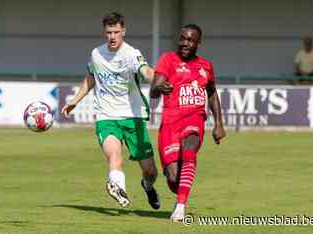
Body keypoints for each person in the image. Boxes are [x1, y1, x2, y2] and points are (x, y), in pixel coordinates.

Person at [61, 12, 160, 209]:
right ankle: (118, 189)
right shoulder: (96, 54)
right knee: (114, 156)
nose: (112, 36)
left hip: (133, 117)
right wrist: (75, 101)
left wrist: (157, 78)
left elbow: (145, 71)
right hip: (106, 116)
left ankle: (147, 186)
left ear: (123, 31)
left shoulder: (132, 54)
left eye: (116, 32)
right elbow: (91, 77)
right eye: (109, 32)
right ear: (104, 33)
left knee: (150, 171)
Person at [150, 24, 226, 221]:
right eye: (182, 38)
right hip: (170, 123)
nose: (185, 43)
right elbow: (153, 89)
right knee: (174, 178)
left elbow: (211, 93)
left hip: (194, 118)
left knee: (190, 148)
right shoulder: (168, 59)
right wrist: (161, 87)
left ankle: (181, 206)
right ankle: (179, 192)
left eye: (190, 40)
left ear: (198, 43)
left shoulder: (206, 66)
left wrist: (219, 123)